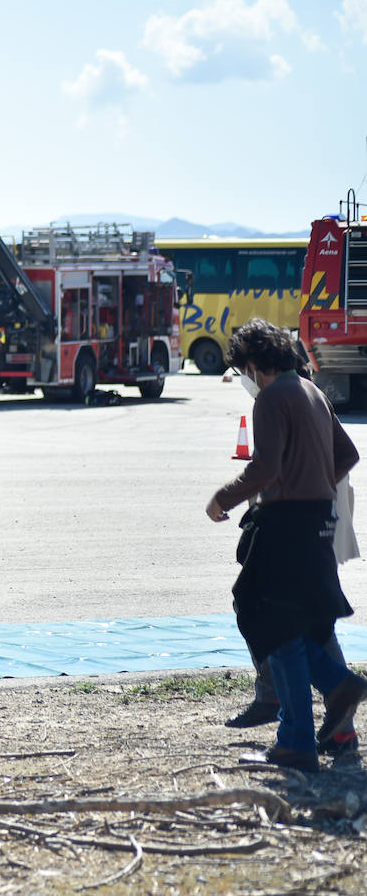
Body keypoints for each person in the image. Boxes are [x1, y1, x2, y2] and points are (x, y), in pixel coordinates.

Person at [206, 318, 366, 772]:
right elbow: (348, 455)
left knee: (263, 613)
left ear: (254, 364)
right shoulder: (312, 391)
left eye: (243, 370)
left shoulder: (273, 398)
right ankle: (317, 716)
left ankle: (313, 715)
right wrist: (316, 484)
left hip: (286, 521)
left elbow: (265, 468)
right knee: (303, 623)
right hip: (318, 518)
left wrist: (223, 498)